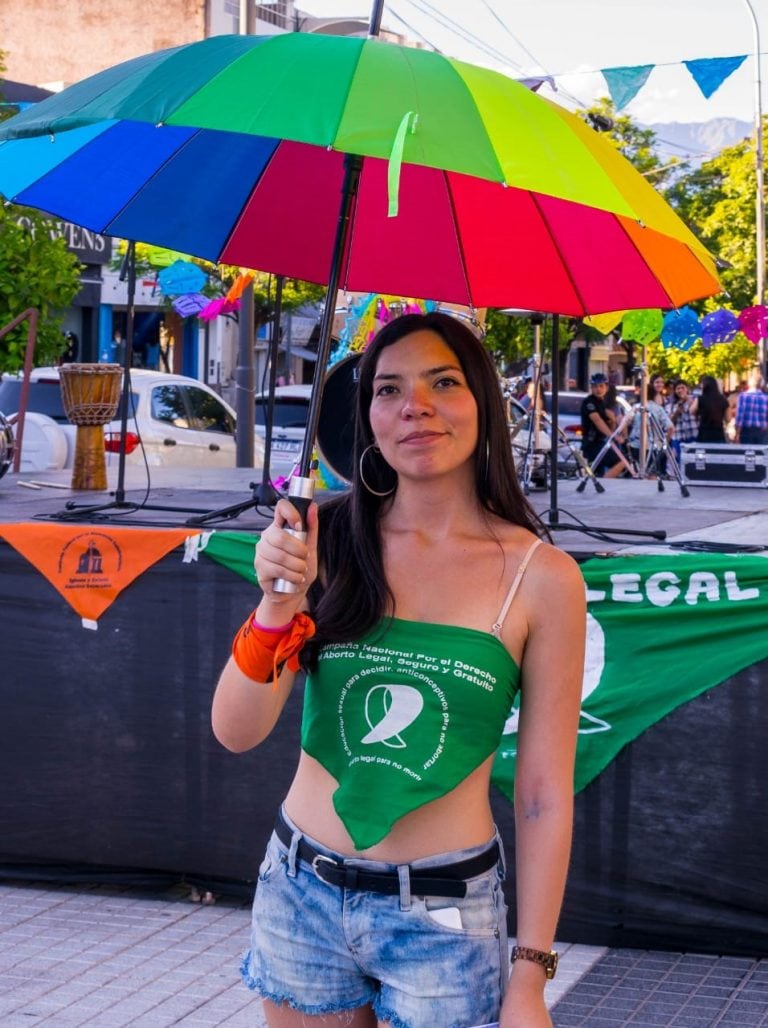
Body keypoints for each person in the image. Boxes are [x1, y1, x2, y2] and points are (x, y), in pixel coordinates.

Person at [212, 312, 586, 1028]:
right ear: (369, 417)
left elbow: (541, 796)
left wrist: (530, 977)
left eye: (442, 382)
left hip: (445, 917)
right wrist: (275, 604)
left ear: (482, 401)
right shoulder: (325, 540)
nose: (414, 405)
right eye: (389, 389)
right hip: (300, 890)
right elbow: (235, 731)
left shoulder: (544, 579)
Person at [579, 372, 625, 478]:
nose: (598, 389)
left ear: (607, 388)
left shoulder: (602, 404)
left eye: (601, 386)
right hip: (591, 444)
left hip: (600, 443)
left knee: (596, 474)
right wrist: (614, 437)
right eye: (595, 386)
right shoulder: (589, 402)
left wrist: (613, 421)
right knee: (621, 462)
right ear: (591, 388)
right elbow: (597, 421)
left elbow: (608, 426)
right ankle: (605, 484)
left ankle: (602, 484)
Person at [628, 374, 674, 476]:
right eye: (657, 382)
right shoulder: (657, 408)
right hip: (653, 445)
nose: (660, 384)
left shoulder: (636, 407)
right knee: (652, 472)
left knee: (640, 472)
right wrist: (664, 443)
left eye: (662, 382)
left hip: (638, 444)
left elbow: (626, 421)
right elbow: (670, 427)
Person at [666, 379, 698, 461]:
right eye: (678, 388)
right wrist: (677, 412)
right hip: (679, 437)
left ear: (687, 389)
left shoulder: (694, 400)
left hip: (693, 435)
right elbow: (669, 422)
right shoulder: (671, 404)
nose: (680, 390)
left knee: (694, 461)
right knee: (681, 462)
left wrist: (688, 400)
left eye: (682, 387)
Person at [734, 370, 768, 445]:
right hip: (762, 431)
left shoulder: (742, 396)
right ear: (761, 384)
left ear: (749, 384)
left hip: (746, 431)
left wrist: (737, 434)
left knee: (747, 453)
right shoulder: (766, 398)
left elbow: (740, 416)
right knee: (762, 455)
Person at [696, 375, 730, 444]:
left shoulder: (700, 399)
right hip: (719, 434)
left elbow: (691, 410)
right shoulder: (723, 399)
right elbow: (728, 418)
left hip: (704, 434)